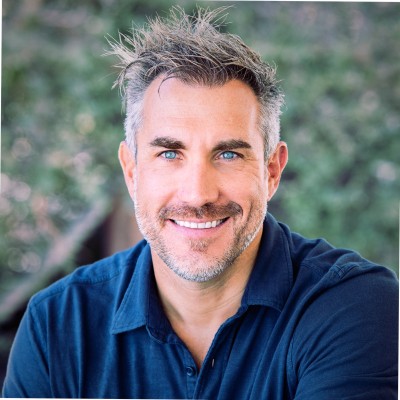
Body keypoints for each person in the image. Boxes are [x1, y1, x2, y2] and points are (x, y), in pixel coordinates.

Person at [3, 6, 398, 399]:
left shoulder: (353, 306)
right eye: (169, 154)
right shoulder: (56, 326)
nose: (198, 195)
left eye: (228, 154)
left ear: (272, 171)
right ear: (132, 172)